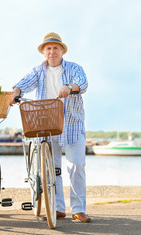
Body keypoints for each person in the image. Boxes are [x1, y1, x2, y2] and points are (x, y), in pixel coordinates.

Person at [11, 32, 91, 222]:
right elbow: (23, 84)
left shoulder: (74, 68)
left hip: (72, 124)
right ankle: (58, 208)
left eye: (56, 48)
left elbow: (83, 83)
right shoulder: (38, 71)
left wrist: (69, 88)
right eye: (48, 48)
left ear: (62, 50)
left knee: (77, 165)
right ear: (44, 52)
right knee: (52, 169)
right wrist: (15, 92)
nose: (52, 52)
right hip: (46, 124)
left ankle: (79, 209)